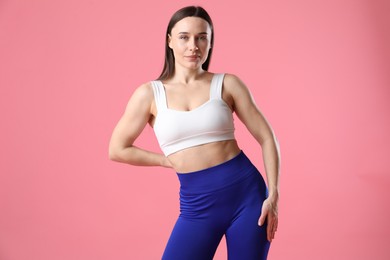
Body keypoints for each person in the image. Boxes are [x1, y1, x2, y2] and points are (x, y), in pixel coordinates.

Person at [109, 5, 280, 260]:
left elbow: (267, 137)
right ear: (169, 40)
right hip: (197, 205)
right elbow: (117, 149)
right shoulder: (149, 94)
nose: (193, 45)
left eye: (202, 37)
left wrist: (274, 193)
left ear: (210, 43)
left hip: (249, 198)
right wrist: (165, 161)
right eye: (184, 37)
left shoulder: (227, 84)